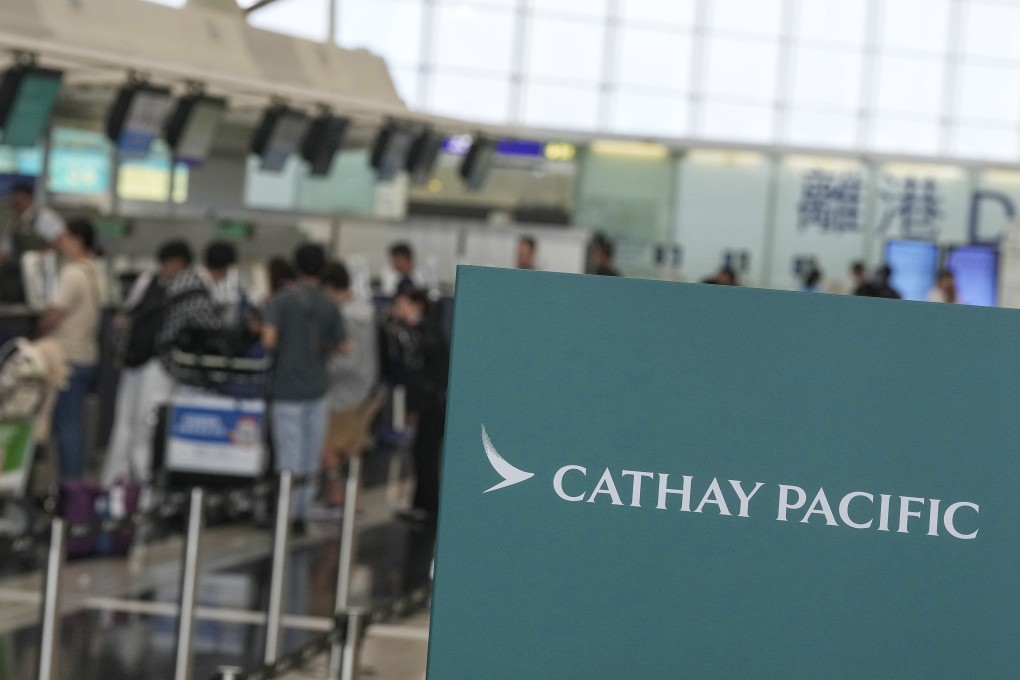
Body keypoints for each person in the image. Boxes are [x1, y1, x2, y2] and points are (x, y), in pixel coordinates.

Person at [262, 244, 348, 533]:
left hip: (286, 388)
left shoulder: (282, 300)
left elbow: (269, 340)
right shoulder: (329, 304)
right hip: (317, 388)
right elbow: (343, 346)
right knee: (311, 454)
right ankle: (302, 513)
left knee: (289, 453)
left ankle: (284, 514)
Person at [102, 241, 190, 485]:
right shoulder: (148, 283)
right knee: (127, 420)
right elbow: (126, 317)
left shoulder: (182, 289)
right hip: (138, 361)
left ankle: (142, 479)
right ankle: (119, 478)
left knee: (144, 423)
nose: (168, 268)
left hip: (154, 363)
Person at [39, 218, 108, 480]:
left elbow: (56, 312)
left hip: (66, 357)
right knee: (72, 424)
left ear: (78, 239)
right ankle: (72, 486)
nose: (61, 243)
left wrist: (38, 331)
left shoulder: (72, 273)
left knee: (66, 427)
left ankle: (70, 486)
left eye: (65, 237)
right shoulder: (96, 271)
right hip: (87, 356)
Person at [320, 262, 383, 510]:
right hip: (368, 388)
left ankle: (338, 498)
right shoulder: (367, 310)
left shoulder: (345, 316)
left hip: (343, 391)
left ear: (330, 287)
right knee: (354, 449)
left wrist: (320, 365)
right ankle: (354, 500)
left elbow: (348, 359)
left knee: (328, 447)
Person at [392, 288, 450, 525]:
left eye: (403, 304)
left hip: (433, 404)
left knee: (427, 455)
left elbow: (430, 355)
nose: (398, 309)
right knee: (420, 454)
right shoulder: (415, 331)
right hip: (426, 402)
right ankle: (420, 504)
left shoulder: (426, 331)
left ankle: (430, 507)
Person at [0, 183, 65, 302]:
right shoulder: (13, 223)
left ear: (27, 198)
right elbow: (5, 251)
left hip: (40, 271)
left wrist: (43, 252)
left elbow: (62, 241)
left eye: (18, 201)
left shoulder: (45, 218)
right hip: (18, 273)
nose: (15, 204)